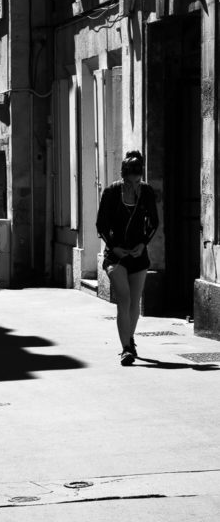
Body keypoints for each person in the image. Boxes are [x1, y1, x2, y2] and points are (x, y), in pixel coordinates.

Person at [96, 150, 159, 366]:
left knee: (135, 300)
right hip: (116, 255)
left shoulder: (147, 192)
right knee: (124, 299)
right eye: (130, 179)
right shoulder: (112, 192)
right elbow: (101, 225)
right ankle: (125, 349)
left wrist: (143, 244)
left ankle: (129, 339)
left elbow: (154, 222)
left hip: (138, 254)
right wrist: (114, 247)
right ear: (123, 175)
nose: (134, 183)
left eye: (138, 178)